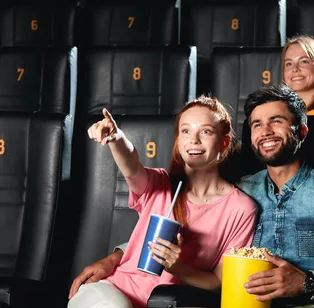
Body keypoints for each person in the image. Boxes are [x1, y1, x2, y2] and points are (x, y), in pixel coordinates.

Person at [75, 84, 314, 307]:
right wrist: (115, 257)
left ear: (301, 132)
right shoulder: (243, 190)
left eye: (276, 121)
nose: (265, 130)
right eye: (256, 124)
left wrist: (308, 282)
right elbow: (189, 224)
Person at [68, 97, 258, 308]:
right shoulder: (159, 183)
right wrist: (116, 137)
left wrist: (177, 268)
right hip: (110, 292)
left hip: (167, 301)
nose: (193, 140)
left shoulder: (241, 209)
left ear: (224, 142)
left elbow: (218, 283)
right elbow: (131, 165)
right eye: (185, 131)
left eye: (206, 131)